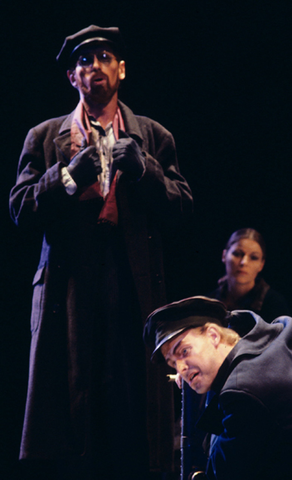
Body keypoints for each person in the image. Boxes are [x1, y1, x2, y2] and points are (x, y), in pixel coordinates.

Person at [9, 25, 193, 480]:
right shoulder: (46, 136)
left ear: (122, 69)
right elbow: (19, 209)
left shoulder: (152, 135)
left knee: (133, 403)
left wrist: (144, 169)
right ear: (73, 76)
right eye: (86, 61)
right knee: (74, 403)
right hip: (70, 284)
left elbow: (181, 208)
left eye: (106, 57)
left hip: (131, 278)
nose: (96, 67)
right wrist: (67, 177)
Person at [144, 296, 292, 480]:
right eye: (173, 363)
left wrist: (208, 382)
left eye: (184, 351)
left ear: (213, 336)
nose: (181, 369)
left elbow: (221, 472)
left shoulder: (244, 390)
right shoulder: (274, 340)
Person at [209, 228, 289, 323]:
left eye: (253, 257)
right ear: (224, 255)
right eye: (237, 254)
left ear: (261, 264)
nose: (244, 262)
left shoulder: (275, 305)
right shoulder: (208, 303)